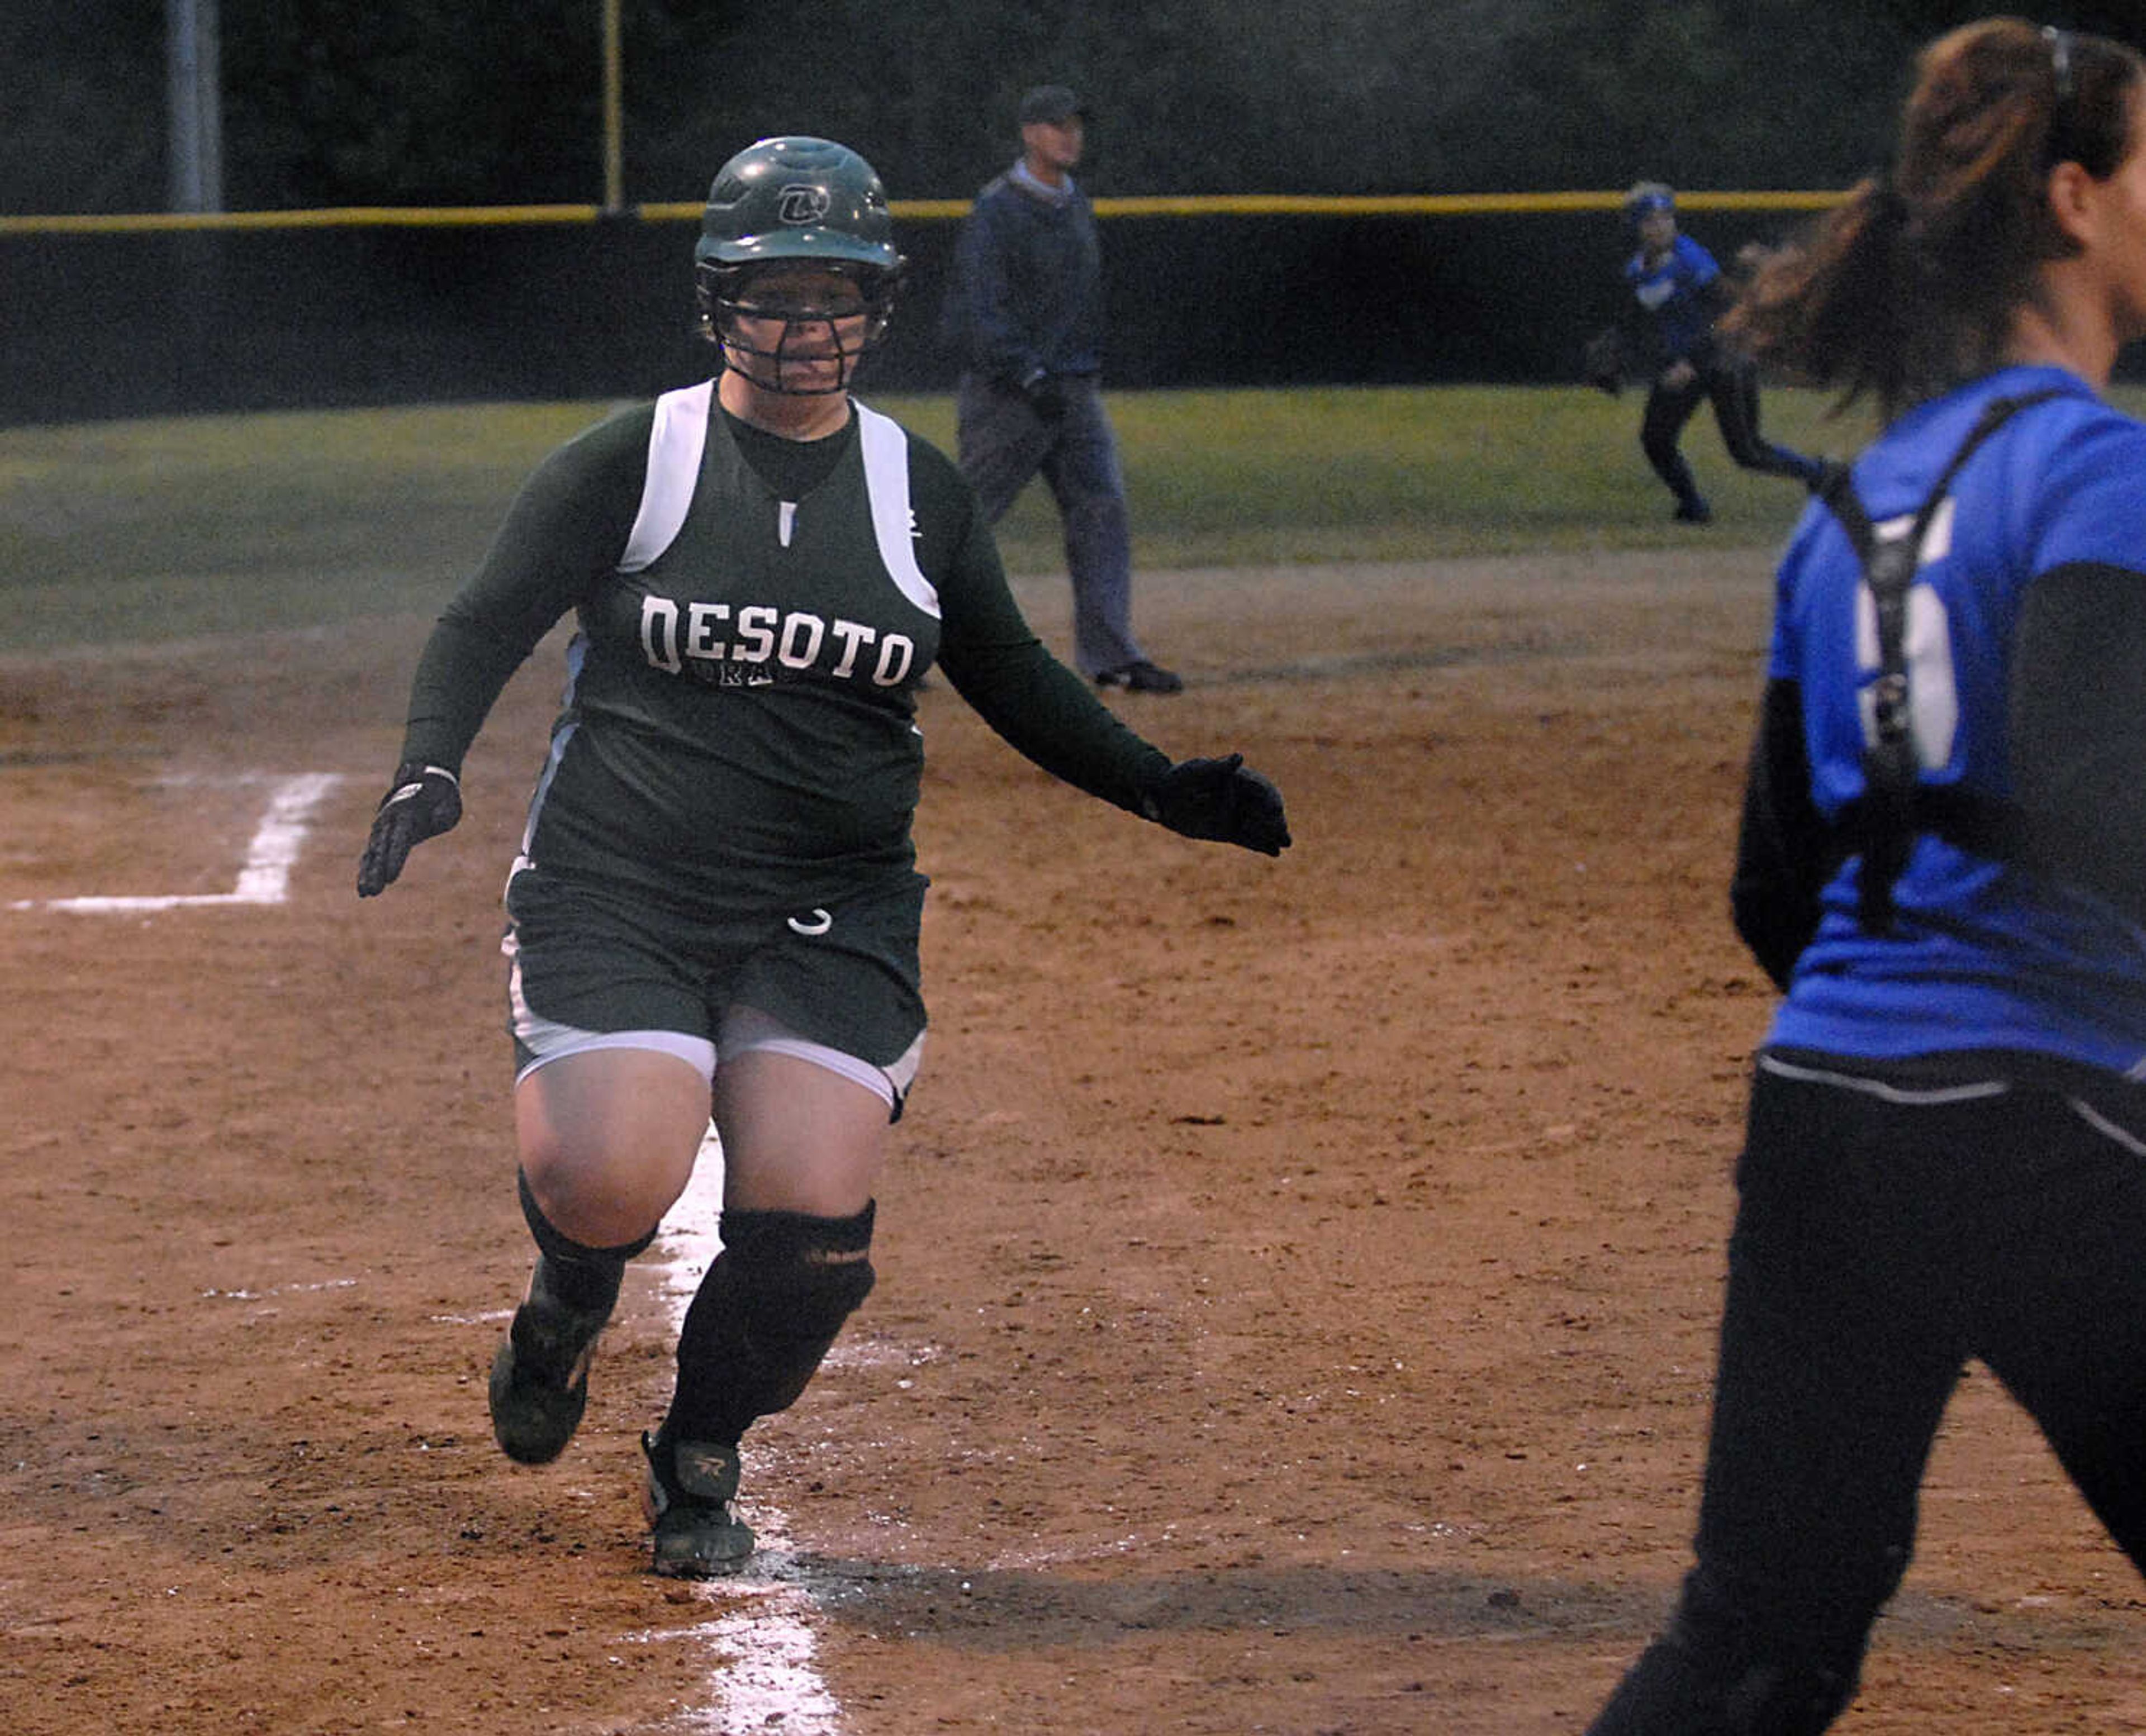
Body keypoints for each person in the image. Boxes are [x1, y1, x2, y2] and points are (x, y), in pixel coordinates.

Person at [354, 135, 1290, 1580]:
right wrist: (429, 757)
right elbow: (485, 619)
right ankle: (569, 1295)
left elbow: (1011, 668)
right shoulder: (640, 459)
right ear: (717, 298)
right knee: (614, 1168)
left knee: (811, 1237)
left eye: (833, 293)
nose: (804, 327)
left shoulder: (916, 490)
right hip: (622, 886)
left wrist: (1162, 787)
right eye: (774, 293)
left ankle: (698, 1449)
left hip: (827, 906)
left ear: (879, 303)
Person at [1588, 20, 2146, 1732]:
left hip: (1828, 1105)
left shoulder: (1858, 499)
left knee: (1755, 1641)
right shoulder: (2101, 471)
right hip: (2040, 1117)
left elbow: (1775, 887)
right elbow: (2085, 789)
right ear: (2069, 198)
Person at [939, 83, 1183, 693]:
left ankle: (1110, 656)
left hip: (1072, 391)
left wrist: (1074, 371)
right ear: (1029, 133)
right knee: (964, 522)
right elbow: (979, 307)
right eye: (1055, 125)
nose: (1069, 135)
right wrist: (1025, 370)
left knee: (1102, 511)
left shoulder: (1075, 203)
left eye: (1075, 124)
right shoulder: (998, 209)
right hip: (1007, 396)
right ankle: (892, 644)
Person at [1584, 181, 1824, 522]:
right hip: (1684, 363)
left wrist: (1691, 362)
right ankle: (1693, 507)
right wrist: (1629, 353)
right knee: (1656, 440)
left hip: (1725, 359)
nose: (1661, 225)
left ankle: (1823, 475)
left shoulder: (1691, 260)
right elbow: (1643, 324)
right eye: (1650, 220)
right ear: (1636, 227)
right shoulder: (1637, 270)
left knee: (1748, 451)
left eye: (1666, 217)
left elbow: (1725, 316)